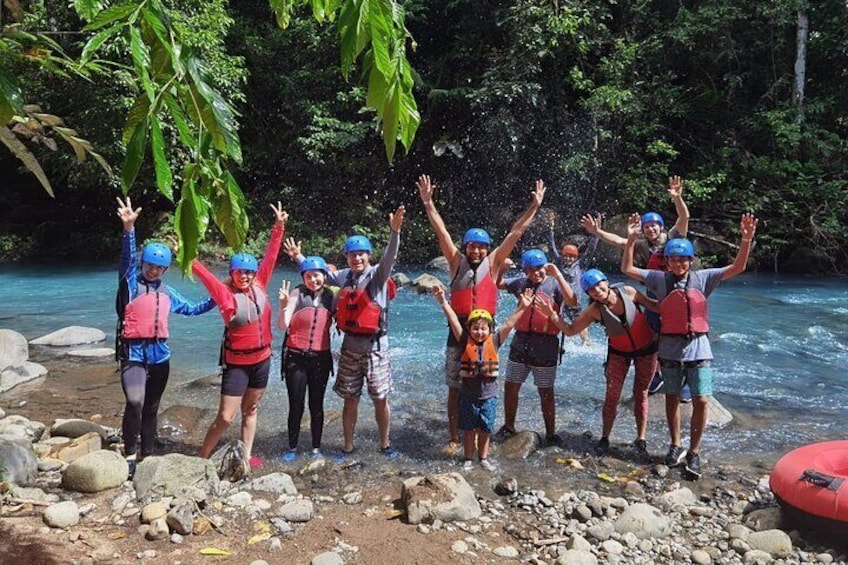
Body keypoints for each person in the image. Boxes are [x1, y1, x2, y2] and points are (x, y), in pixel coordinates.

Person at [621, 212, 758, 479]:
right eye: (673, 259)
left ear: (690, 260)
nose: (678, 263)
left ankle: (694, 452)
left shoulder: (704, 277)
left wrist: (746, 240)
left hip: (699, 348)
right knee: (672, 399)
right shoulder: (659, 279)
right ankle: (675, 445)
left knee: (702, 400)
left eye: (683, 259)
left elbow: (737, 267)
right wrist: (630, 240)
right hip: (670, 348)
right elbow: (627, 269)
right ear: (667, 261)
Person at [417, 174, 546, 455]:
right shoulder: (455, 262)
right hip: (458, 328)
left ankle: (482, 435)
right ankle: (455, 436)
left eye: (481, 246)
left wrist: (533, 207)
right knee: (455, 386)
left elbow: (515, 233)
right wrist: (428, 204)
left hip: (485, 330)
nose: (476, 250)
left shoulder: (496, 262)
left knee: (485, 385)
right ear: (465, 248)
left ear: (487, 248)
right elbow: (441, 233)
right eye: (472, 246)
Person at [288, 206, 406, 460]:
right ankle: (348, 446)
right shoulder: (344, 277)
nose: (357, 259)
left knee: (380, 398)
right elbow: (319, 274)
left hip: (376, 347)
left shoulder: (378, 275)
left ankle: (385, 444)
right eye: (352, 255)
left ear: (368, 256)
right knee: (350, 399)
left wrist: (394, 231)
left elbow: (390, 257)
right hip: (351, 346)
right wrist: (299, 257)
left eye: (361, 254)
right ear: (347, 257)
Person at [115, 197, 216, 475]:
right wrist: (129, 230)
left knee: (151, 406)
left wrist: (218, 297)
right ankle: (130, 453)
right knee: (135, 401)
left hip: (160, 357)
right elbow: (127, 260)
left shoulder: (167, 293)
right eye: (149, 265)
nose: (153, 269)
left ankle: (147, 453)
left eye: (158, 267)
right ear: (144, 263)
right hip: (133, 354)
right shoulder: (130, 284)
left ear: (165, 270)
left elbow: (193, 309)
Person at [191, 202, 288, 468]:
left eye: (248, 272)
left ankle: (246, 457)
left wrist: (278, 226)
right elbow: (204, 275)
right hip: (237, 364)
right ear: (232, 273)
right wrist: (186, 254)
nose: (244, 276)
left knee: (251, 410)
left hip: (262, 360)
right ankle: (202, 457)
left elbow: (271, 256)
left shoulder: (260, 284)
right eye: (239, 272)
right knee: (225, 417)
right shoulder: (224, 293)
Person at [581, 175, 691, 400]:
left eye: (654, 225)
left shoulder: (673, 238)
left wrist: (677, 198)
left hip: (676, 293)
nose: (650, 229)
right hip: (653, 294)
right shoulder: (641, 244)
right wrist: (597, 232)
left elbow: (684, 217)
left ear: (661, 227)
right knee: (654, 336)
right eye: (646, 226)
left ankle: (686, 382)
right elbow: (619, 242)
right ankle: (659, 375)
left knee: (681, 336)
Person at [538, 268, 659, 457]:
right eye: (592, 290)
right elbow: (570, 330)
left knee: (641, 394)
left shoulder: (629, 292)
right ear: (589, 294)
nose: (597, 291)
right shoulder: (594, 310)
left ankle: (641, 439)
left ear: (606, 281)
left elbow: (654, 306)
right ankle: (605, 437)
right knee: (612, 397)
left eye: (599, 285)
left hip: (647, 350)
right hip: (618, 354)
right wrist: (552, 315)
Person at [433, 285, 533, 471]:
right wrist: (443, 301)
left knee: (486, 429)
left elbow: (509, 324)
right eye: (476, 328)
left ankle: (484, 457)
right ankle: (468, 458)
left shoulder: (495, 341)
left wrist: (522, 308)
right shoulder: (464, 340)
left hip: (488, 396)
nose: (480, 332)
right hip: (468, 396)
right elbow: (453, 319)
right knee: (469, 429)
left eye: (484, 328)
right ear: (469, 329)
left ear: (490, 329)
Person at [498, 249, 576, 445]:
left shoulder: (555, 285)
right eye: (530, 270)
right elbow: (497, 283)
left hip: (546, 345)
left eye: (539, 268)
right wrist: (502, 268)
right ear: (525, 270)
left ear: (546, 267)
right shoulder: (521, 283)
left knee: (546, 391)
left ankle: (550, 433)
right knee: (511, 386)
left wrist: (557, 274)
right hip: (521, 341)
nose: (535, 273)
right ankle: (509, 426)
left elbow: (572, 301)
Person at [277, 256, 338, 462]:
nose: (313, 280)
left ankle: (316, 448)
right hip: (296, 359)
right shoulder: (296, 294)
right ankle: (292, 447)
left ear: (324, 276)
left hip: (320, 359)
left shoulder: (332, 297)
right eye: (309, 276)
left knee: (316, 405)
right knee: (296, 405)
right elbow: (282, 325)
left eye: (317, 276)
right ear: (303, 277)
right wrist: (283, 306)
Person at [548, 215, 600, 346]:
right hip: (558, 298)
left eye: (572, 257)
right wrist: (551, 230)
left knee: (579, 320)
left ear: (576, 257)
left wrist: (596, 233)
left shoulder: (581, 265)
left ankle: (586, 341)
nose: (569, 259)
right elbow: (551, 246)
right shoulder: (558, 261)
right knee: (553, 317)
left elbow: (591, 250)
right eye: (566, 256)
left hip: (573, 300)